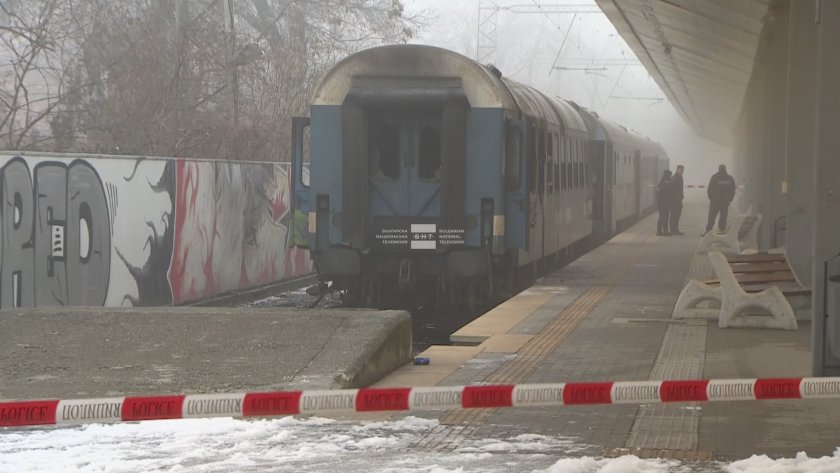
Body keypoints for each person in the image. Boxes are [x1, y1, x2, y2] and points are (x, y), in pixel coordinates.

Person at [703, 164, 736, 235]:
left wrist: (711, 198)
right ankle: (722, 230)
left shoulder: (714, 177)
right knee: (723, 217)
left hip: (715, 201)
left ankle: (708, 231)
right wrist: (730, 199)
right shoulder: (729, 178)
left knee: (711, 217)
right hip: (724, 201)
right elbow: (732, 190)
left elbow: (710, 189)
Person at [656, 169, 673, 236]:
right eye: (669, 175)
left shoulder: (661, 181)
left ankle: (659, 231)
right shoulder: (666, 182)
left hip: (661, 203)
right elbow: (668, 192)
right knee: (665, 217)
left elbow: (658, 192)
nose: (670, 176)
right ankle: (665, 231)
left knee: (661, 217)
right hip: (665, 203)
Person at [670, 165, 685, 235]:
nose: (682, 171)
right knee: (674, 215)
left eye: (682, 170)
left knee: (677, 216)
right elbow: (672, 190)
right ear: (677, 170)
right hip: (674, 201)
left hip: (679, 200)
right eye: (681, 170)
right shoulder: (674, 178)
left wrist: (681, 197)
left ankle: (676, 230)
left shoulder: (680, 178)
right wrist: (675, 198)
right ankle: (673, 230)